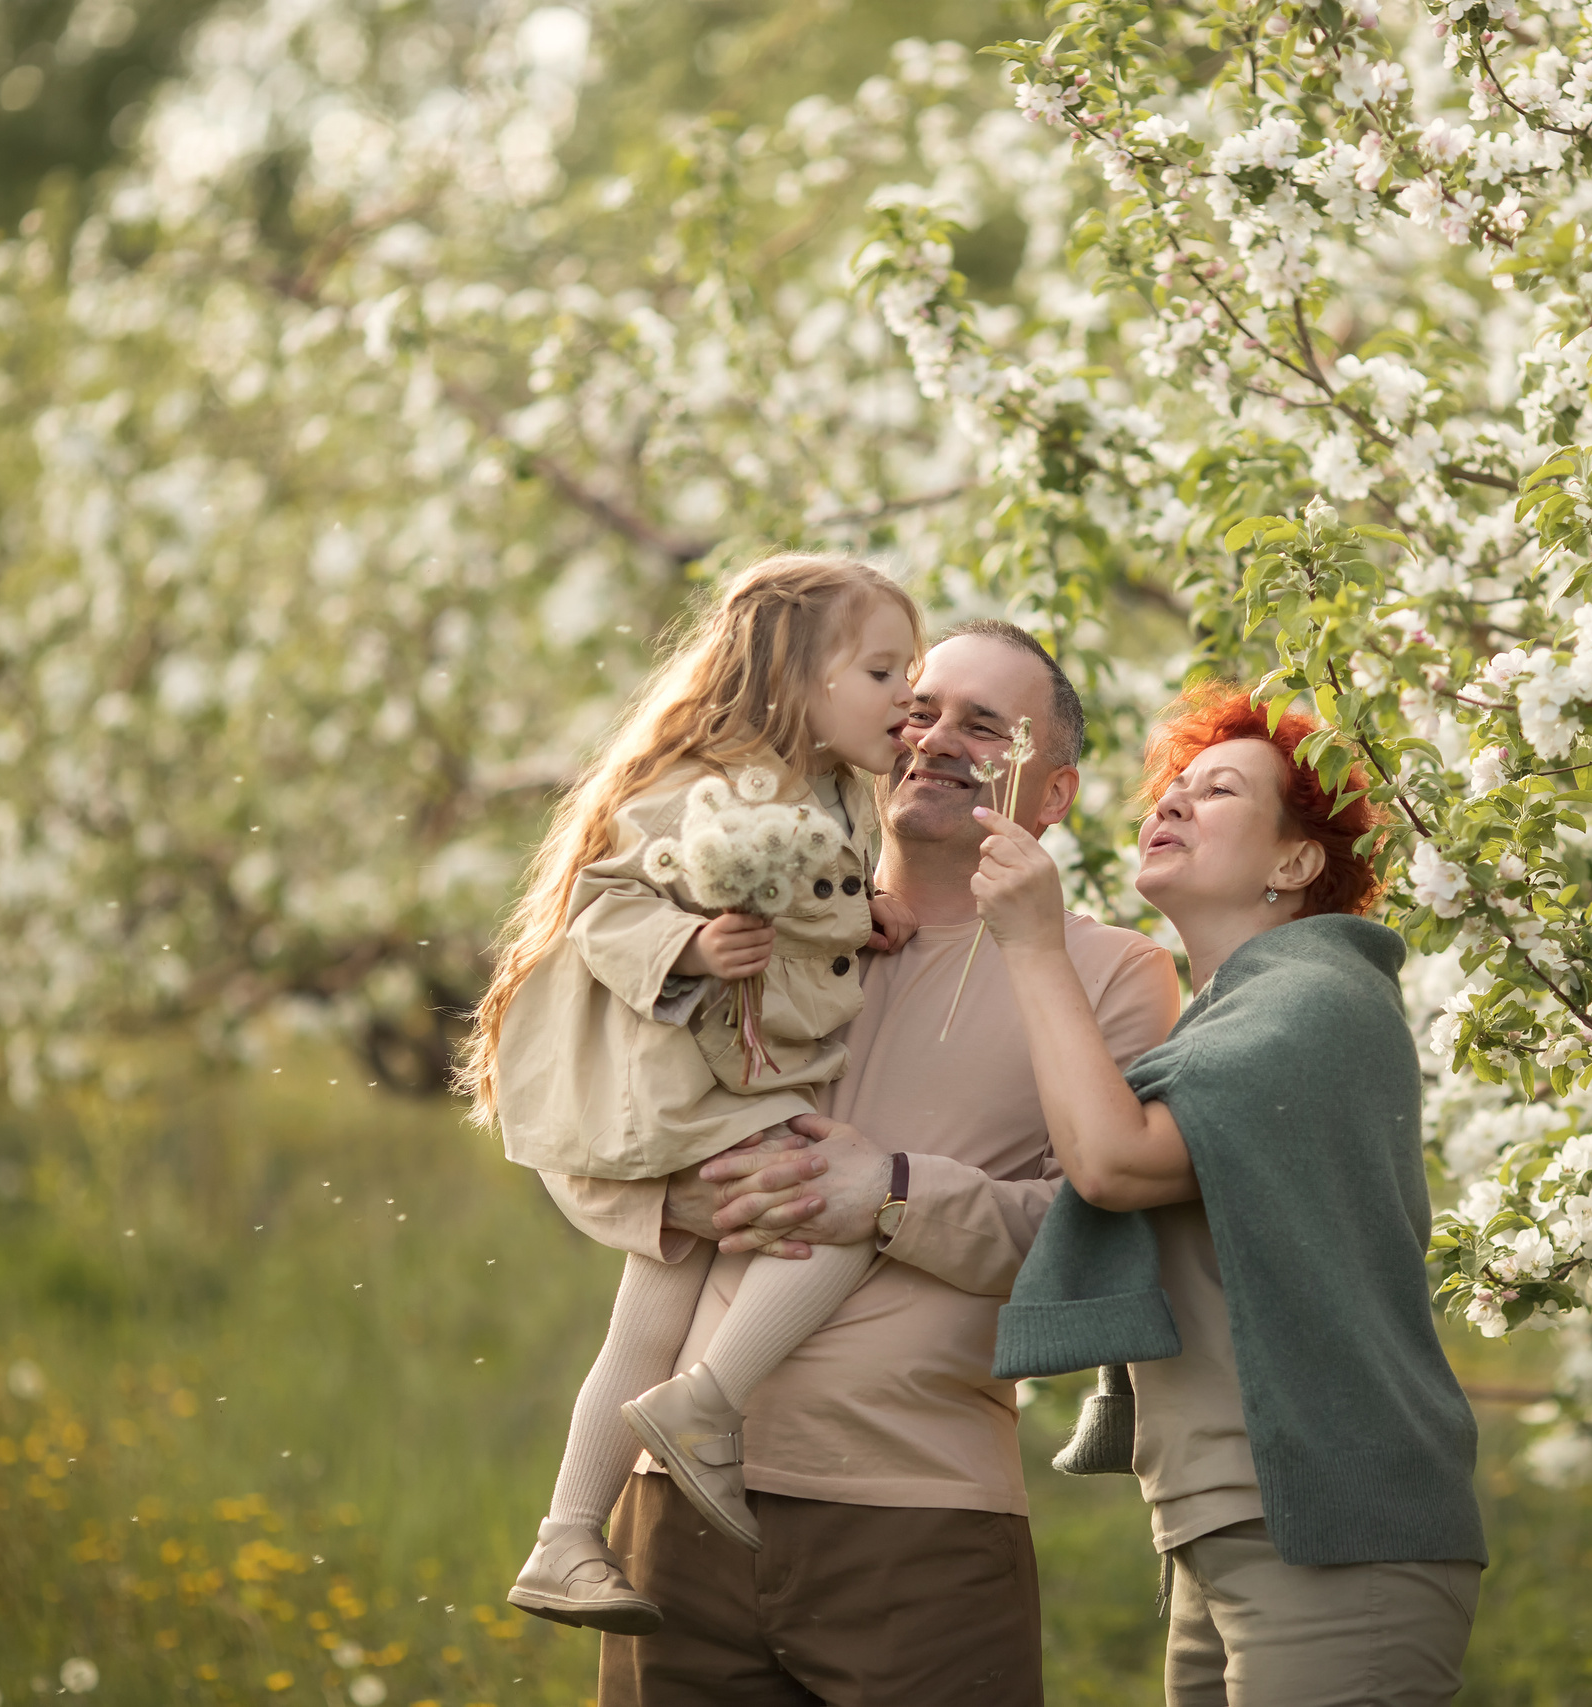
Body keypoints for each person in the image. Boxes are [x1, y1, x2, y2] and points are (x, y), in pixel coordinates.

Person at [548, 620, 1185, 1706]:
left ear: (1053, 793)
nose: (933, 738)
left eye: (983, 727)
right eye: (917, 710)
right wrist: (675, 1193)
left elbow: (1098, 1228)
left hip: (921, 1519)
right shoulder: (738, 918)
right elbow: (588, 1111)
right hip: (671, 1515)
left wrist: (892, 1195)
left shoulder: (1110, 973)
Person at [970, 682, 1490, 1707]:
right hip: (1236, 1529)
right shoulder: (1228, 1020)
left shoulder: (1316, 998)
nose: (1168, 804)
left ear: (1294, 864)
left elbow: (1112, 1161)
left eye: (1216, 793)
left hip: (1335, 1547)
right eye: (1171, 789)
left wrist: (1033, 943)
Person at [461, 554, 927, 1630]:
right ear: (794, 678)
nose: (906, 696)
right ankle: (706, 1407)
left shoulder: (832, 796)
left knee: (646, 1318)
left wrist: (862, 916)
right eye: (880, 670)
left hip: (727, 1082)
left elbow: (813, 906)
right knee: (836, 1202)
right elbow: (601, 904)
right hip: (694, 1088)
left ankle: (565, 1540)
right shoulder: (701, 789)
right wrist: (690, 944)